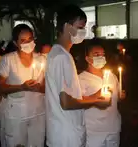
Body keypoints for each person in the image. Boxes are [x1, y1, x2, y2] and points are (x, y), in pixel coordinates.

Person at [45, 5, 110, 147]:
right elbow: (66, 102)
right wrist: (95, 102)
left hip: (64, 133)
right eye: (80, 27)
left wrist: (94, 96)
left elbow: (70, 96)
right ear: (67, 27)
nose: (83, 32)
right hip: (66, 136)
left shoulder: (59, 54)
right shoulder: (61, 57)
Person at [0, 24, 45, 147]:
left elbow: (49, 87)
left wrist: (39, 88)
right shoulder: (8, 60)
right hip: (16, 114)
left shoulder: (42, 59)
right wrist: (22, 87)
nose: (27, 43)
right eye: (23, 40)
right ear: (16, 43)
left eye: (30, 39)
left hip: (38, 113)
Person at [79, 40, 125, 147]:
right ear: (87, 59)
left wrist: (120, 96)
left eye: (103, 55)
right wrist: (96, 96)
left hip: (113, 128)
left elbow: (116, 99)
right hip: (94, 131)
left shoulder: (111, 76)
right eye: (96, 55)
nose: (101, 57)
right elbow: (79, 103)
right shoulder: (81, 79)